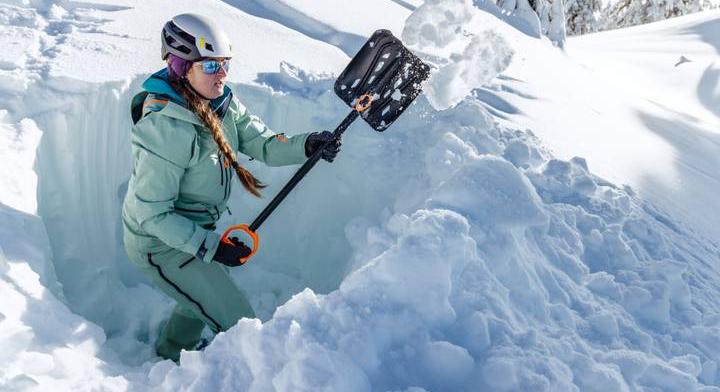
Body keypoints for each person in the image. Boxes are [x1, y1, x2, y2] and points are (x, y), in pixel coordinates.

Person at [121, 13, 341, 362]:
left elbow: (264, 143)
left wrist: (307, 145)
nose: (221, 73)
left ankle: (169, 356)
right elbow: (151, 213)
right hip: (160, 244)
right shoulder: (166, 129)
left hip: (193, 231)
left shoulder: (221, 103)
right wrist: (210, 246)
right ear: (181, 67)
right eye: (210, 66)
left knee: (199, 302)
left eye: (225, 64)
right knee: (242, 325)